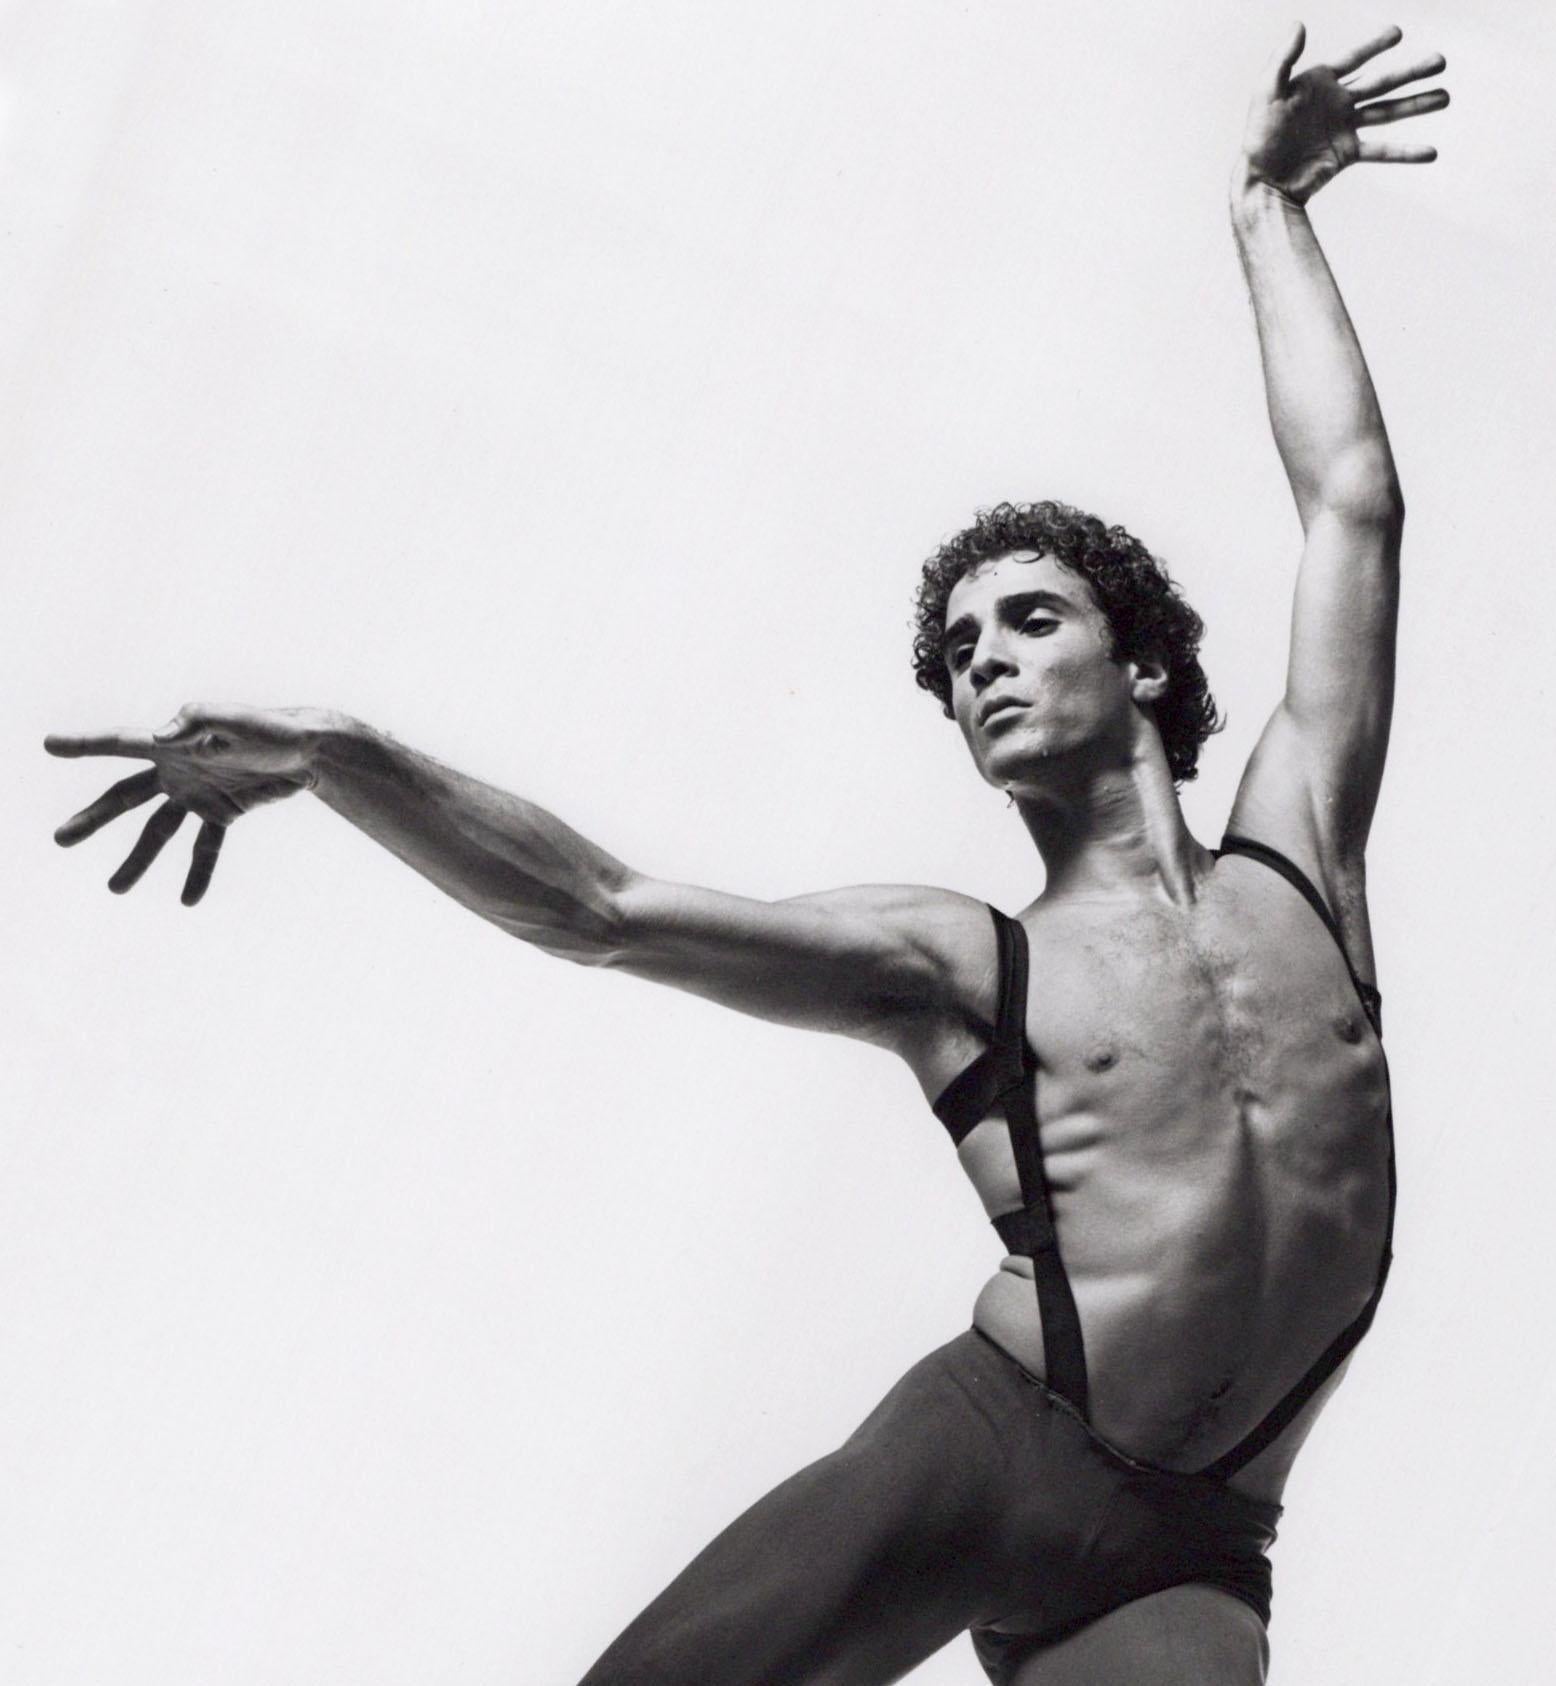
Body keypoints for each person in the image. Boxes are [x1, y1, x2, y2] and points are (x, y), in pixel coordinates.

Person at [46, 23, 1446, 1685]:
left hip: (1201, 1542)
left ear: (1141, 662)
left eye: (1028, 617)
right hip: (989, 1448)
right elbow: (602, 909)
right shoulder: (959, 963)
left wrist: (1265, 211)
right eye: (957, 650)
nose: (981, 656)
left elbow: (1352, 500)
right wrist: (345, 758)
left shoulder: (1303, 859)